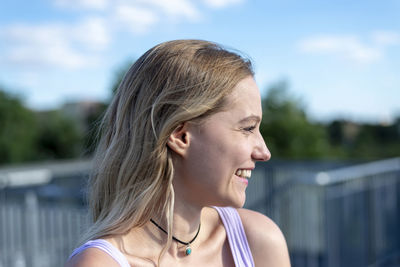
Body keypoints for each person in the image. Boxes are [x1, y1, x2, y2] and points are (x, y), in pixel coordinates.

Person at [66, 39, 291, 267]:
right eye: (248, 128)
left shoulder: (258, 241)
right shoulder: (101, 263)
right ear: (180, 136)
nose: (264, 152)